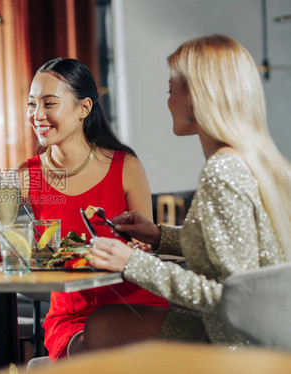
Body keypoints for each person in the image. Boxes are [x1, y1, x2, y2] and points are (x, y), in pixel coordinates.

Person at [84, 34, 291, 350]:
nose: (167, 101)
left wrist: (133, 263)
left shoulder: (223, 171)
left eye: (171, 90)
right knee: (103, 324)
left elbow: (233, 298)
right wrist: (157, 234)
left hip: (238, 343)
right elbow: (236, 245)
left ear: (198, 96)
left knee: (101, 326)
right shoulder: (258, 159)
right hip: (263, 335)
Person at [21, 58, 169, 360]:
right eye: (32, 104)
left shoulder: (125, 166)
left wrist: (141, 245)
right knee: (95, 352)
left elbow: (146, 245)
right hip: (70, 316)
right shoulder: (27, 175)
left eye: (49, 104)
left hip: (133, 302)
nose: (37, 115)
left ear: (83, 108)